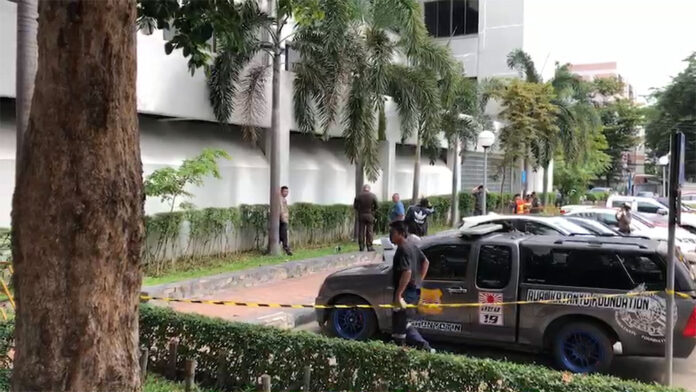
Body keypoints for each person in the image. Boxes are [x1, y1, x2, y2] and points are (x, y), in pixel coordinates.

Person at [389, 221, 433, 352]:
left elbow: (407, 272)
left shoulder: (403, 248)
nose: (390, 235)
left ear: (401, 234)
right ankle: (414, 347)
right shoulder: (411, 246)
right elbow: (425, 262)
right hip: (412, 291)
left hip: (406, 293)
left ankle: (420, 348)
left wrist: (398, 294)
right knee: (402, 322)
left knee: (400, 322)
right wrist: (419, 280)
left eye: (393, 232)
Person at [353, 184, 378, 251]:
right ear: (369, 189)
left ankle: (361, 246)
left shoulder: (358, 196)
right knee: (370, 231)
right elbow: (377, 206)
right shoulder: (373, 195)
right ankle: (369, 246)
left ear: (363, 189)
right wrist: (372, 210)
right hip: (370, 215)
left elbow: (355, 206)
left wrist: (360, 210)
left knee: (361, 231)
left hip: (361, 215)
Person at [279, 186, 292, 255]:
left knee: (281, 235)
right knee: (284, 234)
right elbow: (281, 209)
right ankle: (286, 248)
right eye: (285, 191)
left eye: (287, 191)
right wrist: (283, 218)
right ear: (281, 191)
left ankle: (285, 248)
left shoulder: (284, 199)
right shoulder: (280, 199)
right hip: (282, 219)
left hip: (284, 219)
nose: (286, 193)